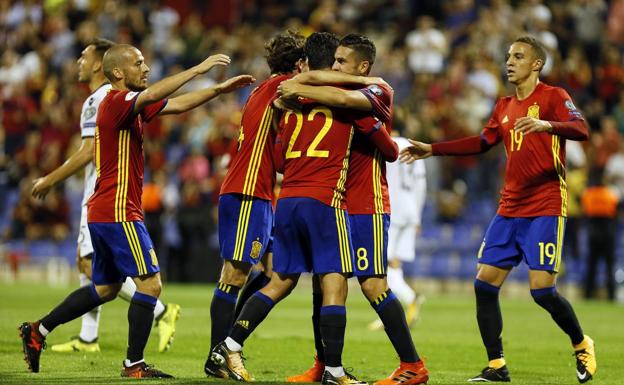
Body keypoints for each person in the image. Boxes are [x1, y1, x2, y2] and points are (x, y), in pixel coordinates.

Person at [19, 43, 254, 378]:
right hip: (119, 211)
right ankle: (134, 364)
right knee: (151, 285)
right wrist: (200, 70)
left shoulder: (129, 105)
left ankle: (37, 331)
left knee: (106, 288)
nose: (146, 68)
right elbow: (156, 93)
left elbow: (174, 105)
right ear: (118, 72)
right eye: (139, 63)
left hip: (105, 209)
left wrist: (216, 89)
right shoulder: (116, 101)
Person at [400, 36, 596, 383]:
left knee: (542, 291)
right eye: (508, 56)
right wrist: (434, 148)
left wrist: (547, 125)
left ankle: (581, 343)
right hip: (509, 208)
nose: (510, 61)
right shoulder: (504, 105)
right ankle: (496, 366)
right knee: (484, 285)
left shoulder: (553, 97)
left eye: (519, 56)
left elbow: (581, 129)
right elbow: (481, 142)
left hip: (546, 204)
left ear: (536, 64)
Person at [209, 32, 398, 385]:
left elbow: (279, 159)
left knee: (279, 281)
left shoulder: (291, 101)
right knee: (334, 285)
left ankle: (230, 343)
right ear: (333, 64)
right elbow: (387, 148)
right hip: (326, 200)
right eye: (338, 61)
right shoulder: (348, 102)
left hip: (288, 200)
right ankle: (334, 371)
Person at [277, 34, 428, 385]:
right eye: (334, 61)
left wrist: (298, 91)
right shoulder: (341, 94)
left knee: (373, 283)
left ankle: (413, 365)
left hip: (367, 202)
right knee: (325, 284)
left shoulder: (377, 92)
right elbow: (319, 83)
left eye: (342, 61)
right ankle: (325, 365)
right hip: (336, 201)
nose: (335, 66)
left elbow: (342, 98)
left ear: (363, 66)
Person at [30, 38, 181, 355]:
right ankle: (99, 341)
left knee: (100, 277)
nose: (78, 63)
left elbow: (88, 152)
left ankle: (82, 333)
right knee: (101, 276)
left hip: (106, 199)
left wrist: (50, 179)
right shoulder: (112, 98)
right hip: (112, 201)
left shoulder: (103, 99)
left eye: (83, 57)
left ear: (102, 64)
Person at [203, 29, 306, 379]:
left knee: (276, 273)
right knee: (234, 274)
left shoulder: (264, 88)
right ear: (299, 64)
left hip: (258, 191)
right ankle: (219, 355)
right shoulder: (284, 88)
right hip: (248, 192)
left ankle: (229, 343)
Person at [369, 135, 427, 331]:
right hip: (410, 210)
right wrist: (418, 216)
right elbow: (421, 186)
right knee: (394, 263)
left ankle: (410, 298)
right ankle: (392, 315)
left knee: (383, 264)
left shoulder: (388, 145)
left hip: (392, 209)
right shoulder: (413, 146)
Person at [581, 168, 619, 300]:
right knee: (609, 265)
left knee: (592, 265)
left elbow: (585, 211)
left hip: (593, 233)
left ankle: (588, 294)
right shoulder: (611, 193)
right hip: (608, 233)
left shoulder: (588, 194)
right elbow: (616, 211)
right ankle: (611, 295)